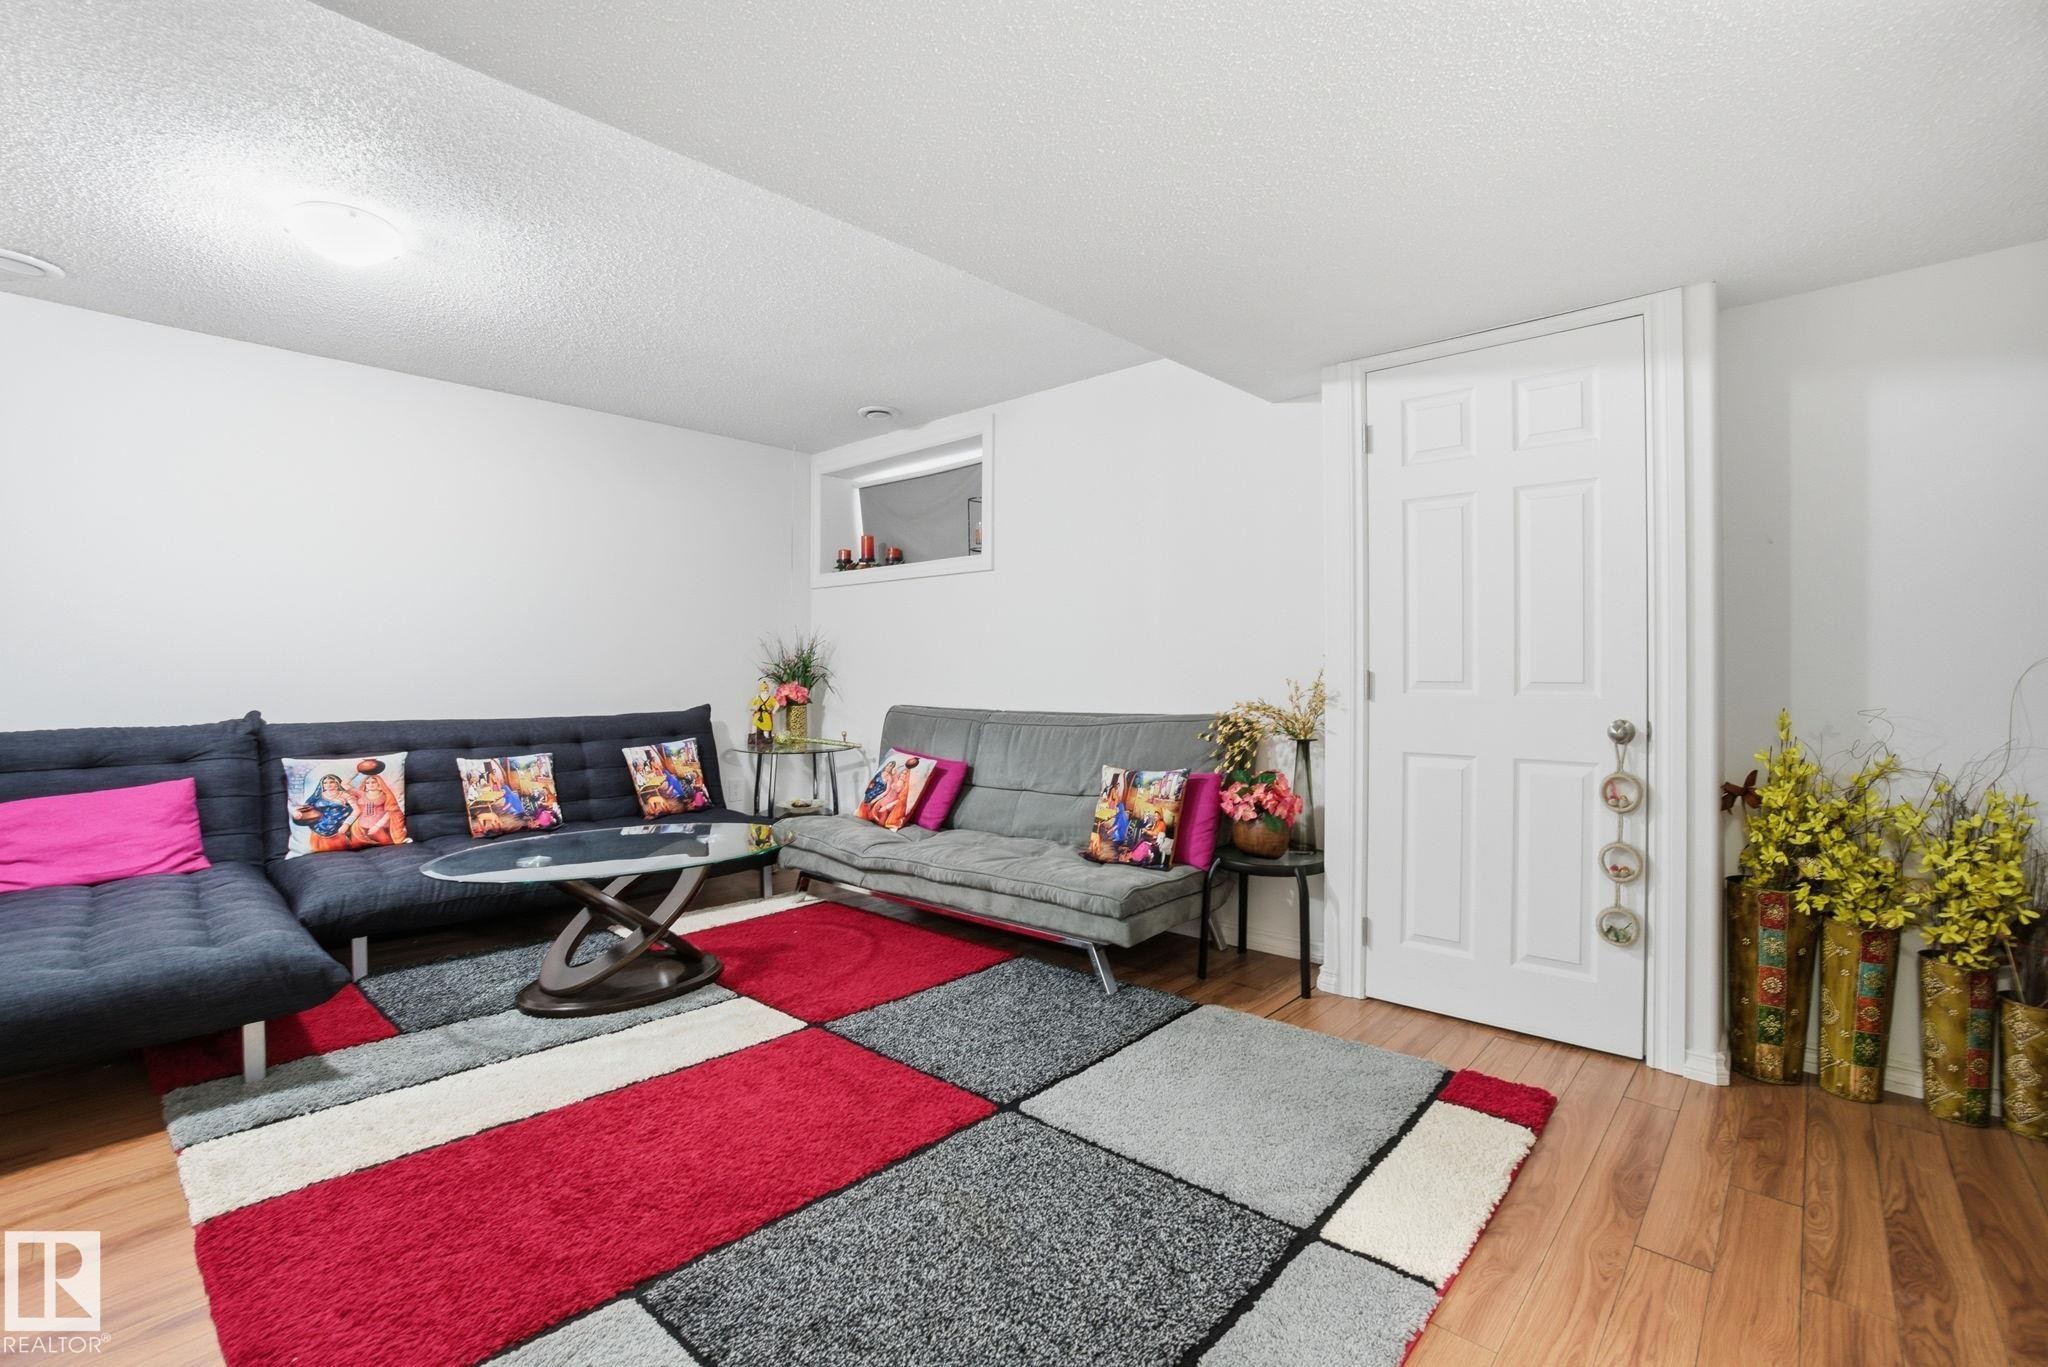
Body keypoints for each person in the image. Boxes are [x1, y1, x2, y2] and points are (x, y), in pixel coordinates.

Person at [292, 772, 360, 852]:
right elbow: (306, 806)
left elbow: (357, 810)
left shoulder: (345, 796)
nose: (328, 785)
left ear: (337, 783)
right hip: (320, 827)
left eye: (331, 782)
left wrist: (346, 824)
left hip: (339, 826)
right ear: (322, 785)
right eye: (325, 783)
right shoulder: (318, 795)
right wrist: (299, 811)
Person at [350, 758, 407, 846]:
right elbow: (344, 785)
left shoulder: (385, 795)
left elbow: (390, 812)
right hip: (360, 830)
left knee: (386, 843)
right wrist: (359, 771)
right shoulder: (361, 793)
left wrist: (377, 826)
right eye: (367, 783)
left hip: (380, 829)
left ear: (380, 785)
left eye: (373, 782)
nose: (370, 785)